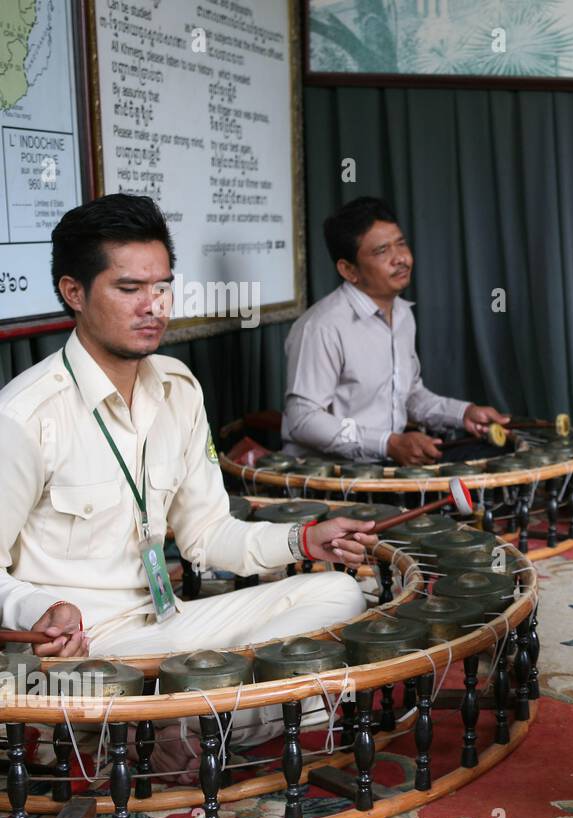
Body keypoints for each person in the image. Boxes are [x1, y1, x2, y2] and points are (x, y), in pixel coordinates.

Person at [0, 193, 376, 660]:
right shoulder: (25, 414)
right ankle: (218, 712)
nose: (153, 306)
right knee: (301, 667)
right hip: (87, 647)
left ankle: (195, 714)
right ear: (74, 292)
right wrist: (41, 606)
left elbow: (208, 533)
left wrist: (303, 539)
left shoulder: (180, 389)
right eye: (129, 288)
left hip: (167, 622)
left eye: (162, 287)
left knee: (338, 594)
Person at [282, 196, 508, 466]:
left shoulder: (402, 314)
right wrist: (387, 443)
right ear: (348, 270)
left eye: (400, 244)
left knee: (497, 458)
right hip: (336, 477)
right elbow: (302, 420)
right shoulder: (321, 327)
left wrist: (463, 414)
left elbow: (410, 395)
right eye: (381, 251)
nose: (400, 258)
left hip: (387, 464)